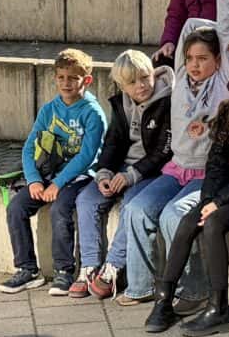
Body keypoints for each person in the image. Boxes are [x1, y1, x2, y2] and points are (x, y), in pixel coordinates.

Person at [148, 59, 229, 334]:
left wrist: (218, 203)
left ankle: (219, 307)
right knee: (188, 221)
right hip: (227, 191)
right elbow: (216, 163)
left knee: (213, 223)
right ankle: (164, 298)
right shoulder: (228, 111)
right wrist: (209, 199)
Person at [118, 25, 227, 302]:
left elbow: (225, 27)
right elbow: (188, 24)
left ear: (218, 59)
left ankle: (192, 290)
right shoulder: (179, 84)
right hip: (177, 169)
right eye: (189, 57)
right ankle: (141, 287)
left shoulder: (223, 86)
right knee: (136, 209)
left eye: (203, 58)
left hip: (206, 173)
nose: (194, 64)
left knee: (173, 215)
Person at [1, 47, 106, 294]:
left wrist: (57, 184)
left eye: (73, 78)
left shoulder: (93, 113)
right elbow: (29, 148)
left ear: (86, 80)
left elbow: (87, 156)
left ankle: (64, 271)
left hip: (79, 176)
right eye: (61, 77)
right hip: (48, 174)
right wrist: (34, 180)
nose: (66, 83)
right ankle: (28, 270)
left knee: (61, 208)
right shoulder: (49, 110)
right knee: (16, 207)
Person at [71, 51, 169, 300]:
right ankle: (90, 265)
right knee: (86, 199)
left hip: (150, 172)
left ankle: (112, 267)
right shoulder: (121, 103)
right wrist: (104, 173)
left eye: (146, 77)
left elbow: (164, 152)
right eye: (133, 82)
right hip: (121, 169)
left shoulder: (167, 100)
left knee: (130, 204)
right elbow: (113, 142)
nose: (142, 86)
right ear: (122, 85)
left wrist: (132, 175)